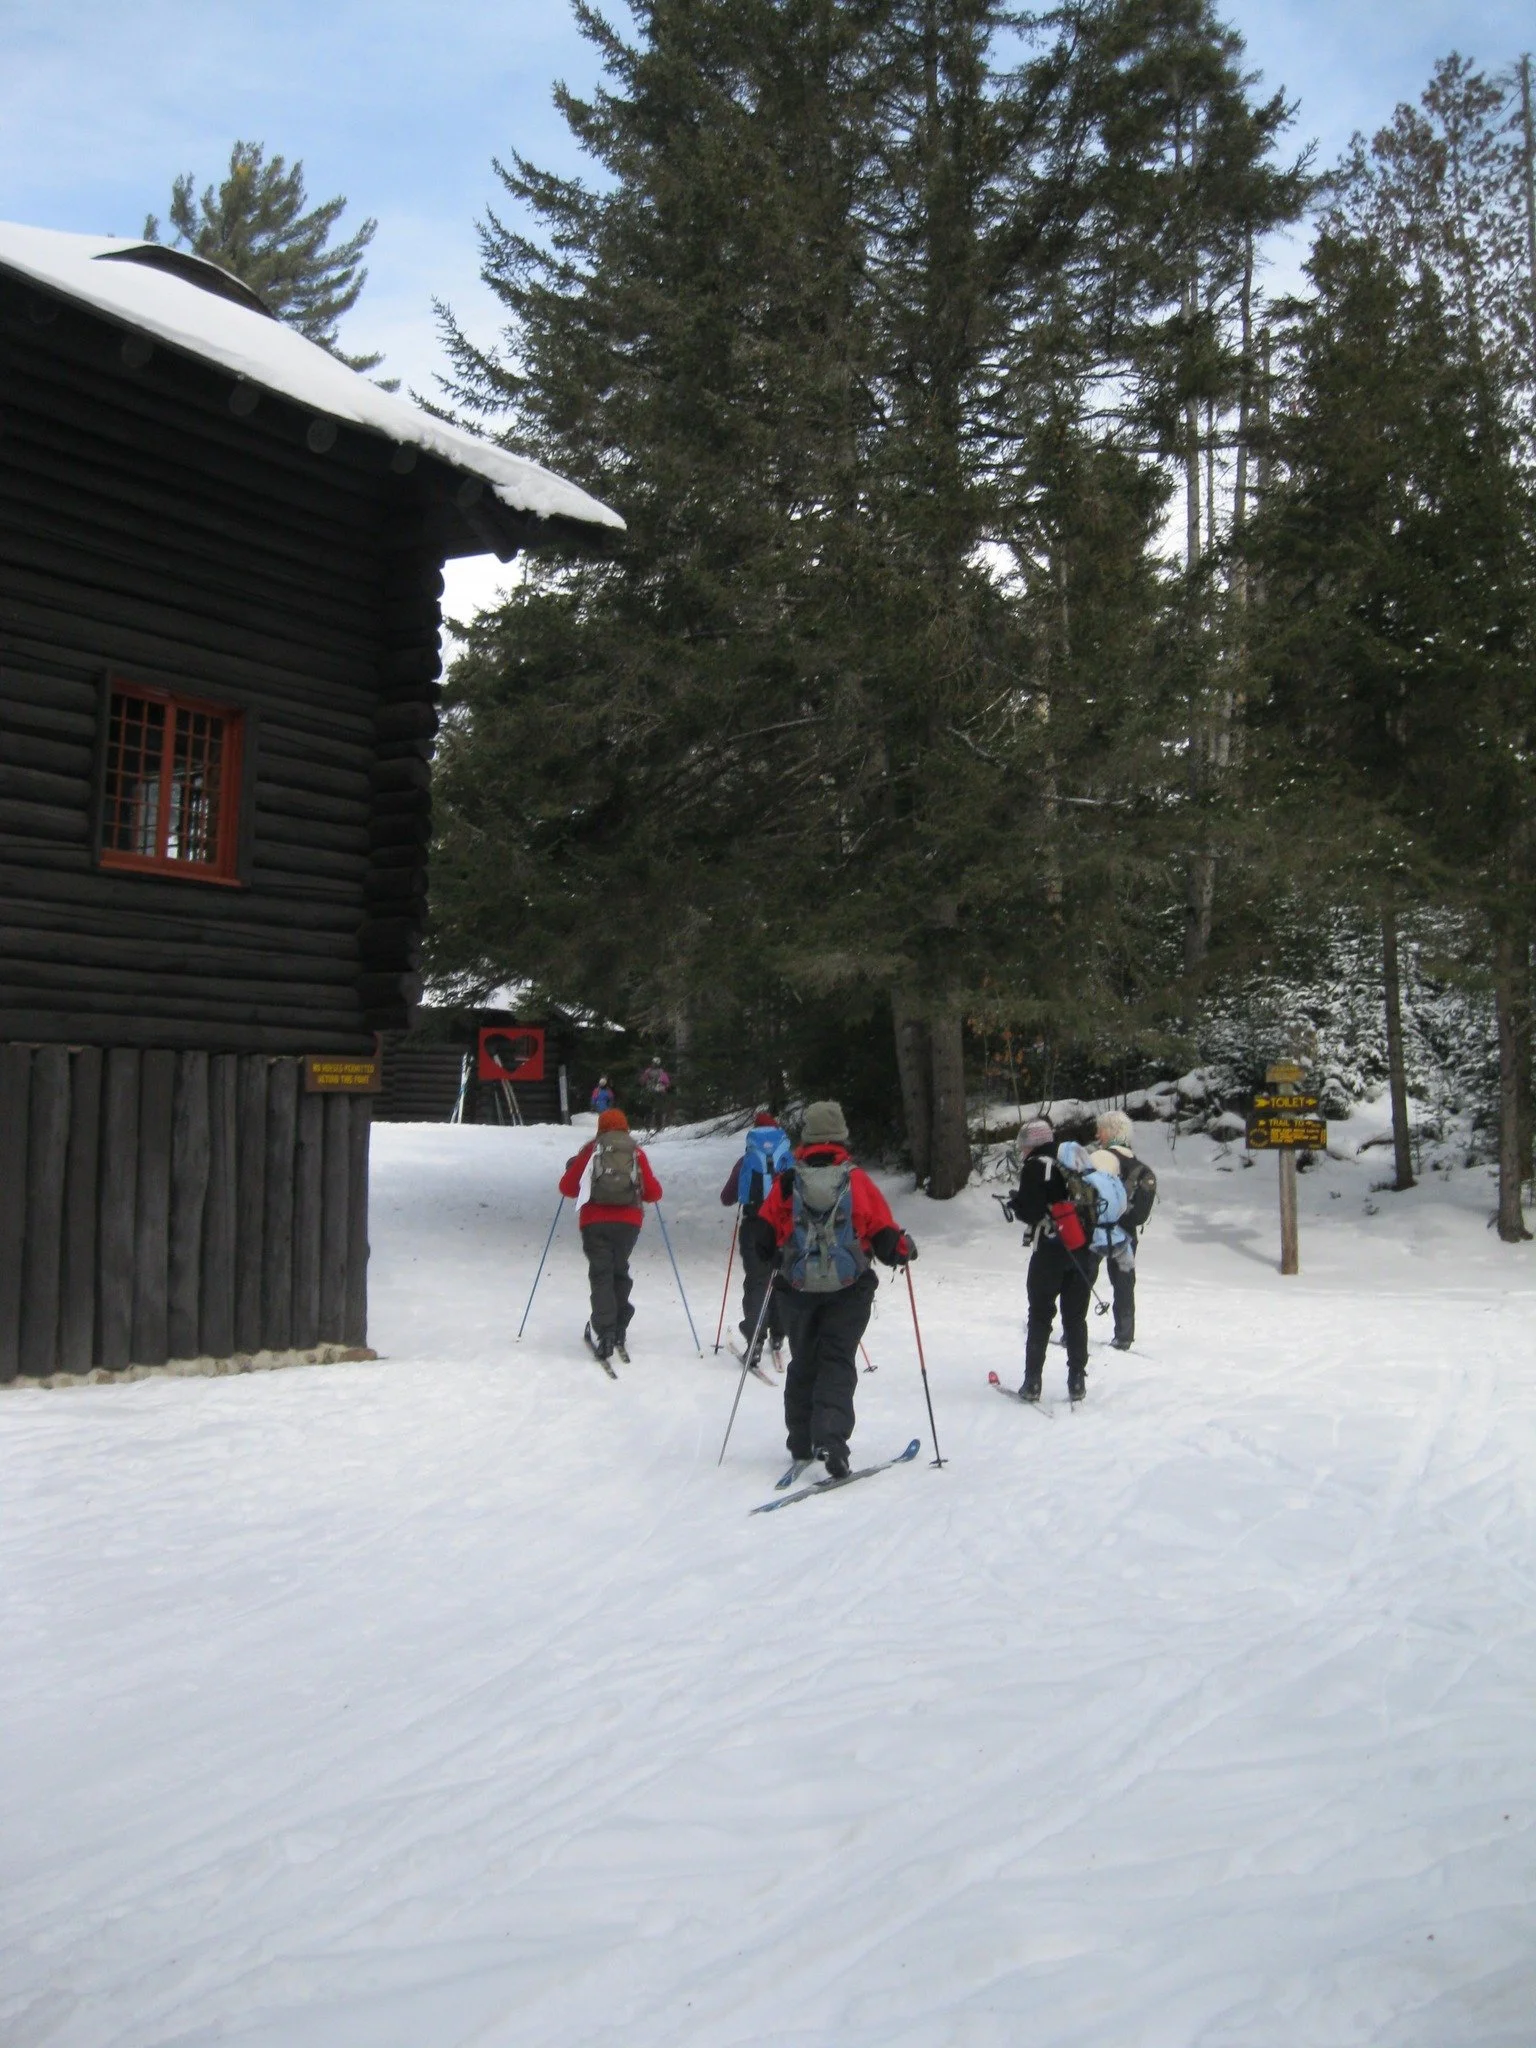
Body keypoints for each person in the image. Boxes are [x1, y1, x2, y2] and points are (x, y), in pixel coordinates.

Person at [751, 1099, 916, 1479]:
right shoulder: (856, 1180)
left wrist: (778, 1256)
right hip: (848, 1287)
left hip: (796, 1289)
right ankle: (831, 1440)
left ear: (806, 1137)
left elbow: (761, 1238)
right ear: (841, 1135)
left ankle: (800, 1441)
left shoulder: (788, 1181)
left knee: (804, 1359)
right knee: (837, 1360)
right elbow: (888, 1240)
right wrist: (904, 1250)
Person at [1006, 1119, 1126, 1404]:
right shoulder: (1074, 1163)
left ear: (1032, 1143)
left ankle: (1032, 1382)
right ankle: (1076, 1381)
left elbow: (1032, 1210)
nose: (1022, 1149)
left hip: (1049, 1251)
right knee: (1075, 1318)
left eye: (1024, 1143)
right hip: (1082, 1249)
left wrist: (1015, 1204)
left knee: (1040, 1314)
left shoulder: (1037, 1166)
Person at [558, 1108, 663, 1364]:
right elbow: (653, 1192)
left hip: (595, 1223)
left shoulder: (592, 1150)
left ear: (601, 1128)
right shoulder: (636, 1152)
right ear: (625, 1127)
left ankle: (605, 1332)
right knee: (619, 1270)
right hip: (628, 1224)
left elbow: (567, 1187)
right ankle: (620, 1329)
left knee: (601, 1274)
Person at [719, 1110, 795, 1370]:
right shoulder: (788, 1158)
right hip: (784, 1226)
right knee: (782, 1279)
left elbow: (727, 1197)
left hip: (754, 1226)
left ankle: (755, 1338)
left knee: (757, 1281)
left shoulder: (746, 1160)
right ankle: (779, 1334)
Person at [1095, 1109, 1141, 1350]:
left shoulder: (1102, 1158)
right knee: (1124, 1282)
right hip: (1127, 1232)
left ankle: (1072, 1331)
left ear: (1111, 1132)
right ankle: (1124, 1335)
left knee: (1081, 1280)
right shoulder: (1134, 1160)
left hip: (1098, 1230)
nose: (1097, 1134)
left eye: (1100, 1130)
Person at [638, 1058, 672, 1128]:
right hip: (653, 1092)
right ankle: (652, 1126)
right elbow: (642, 1081)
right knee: (652, 1109)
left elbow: (642, 1081)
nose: (653, 1064)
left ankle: (655, 1126)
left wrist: (663, 1087)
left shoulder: (659, 1072)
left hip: (655, 1092)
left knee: (655, 1109)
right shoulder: (655, 1072)